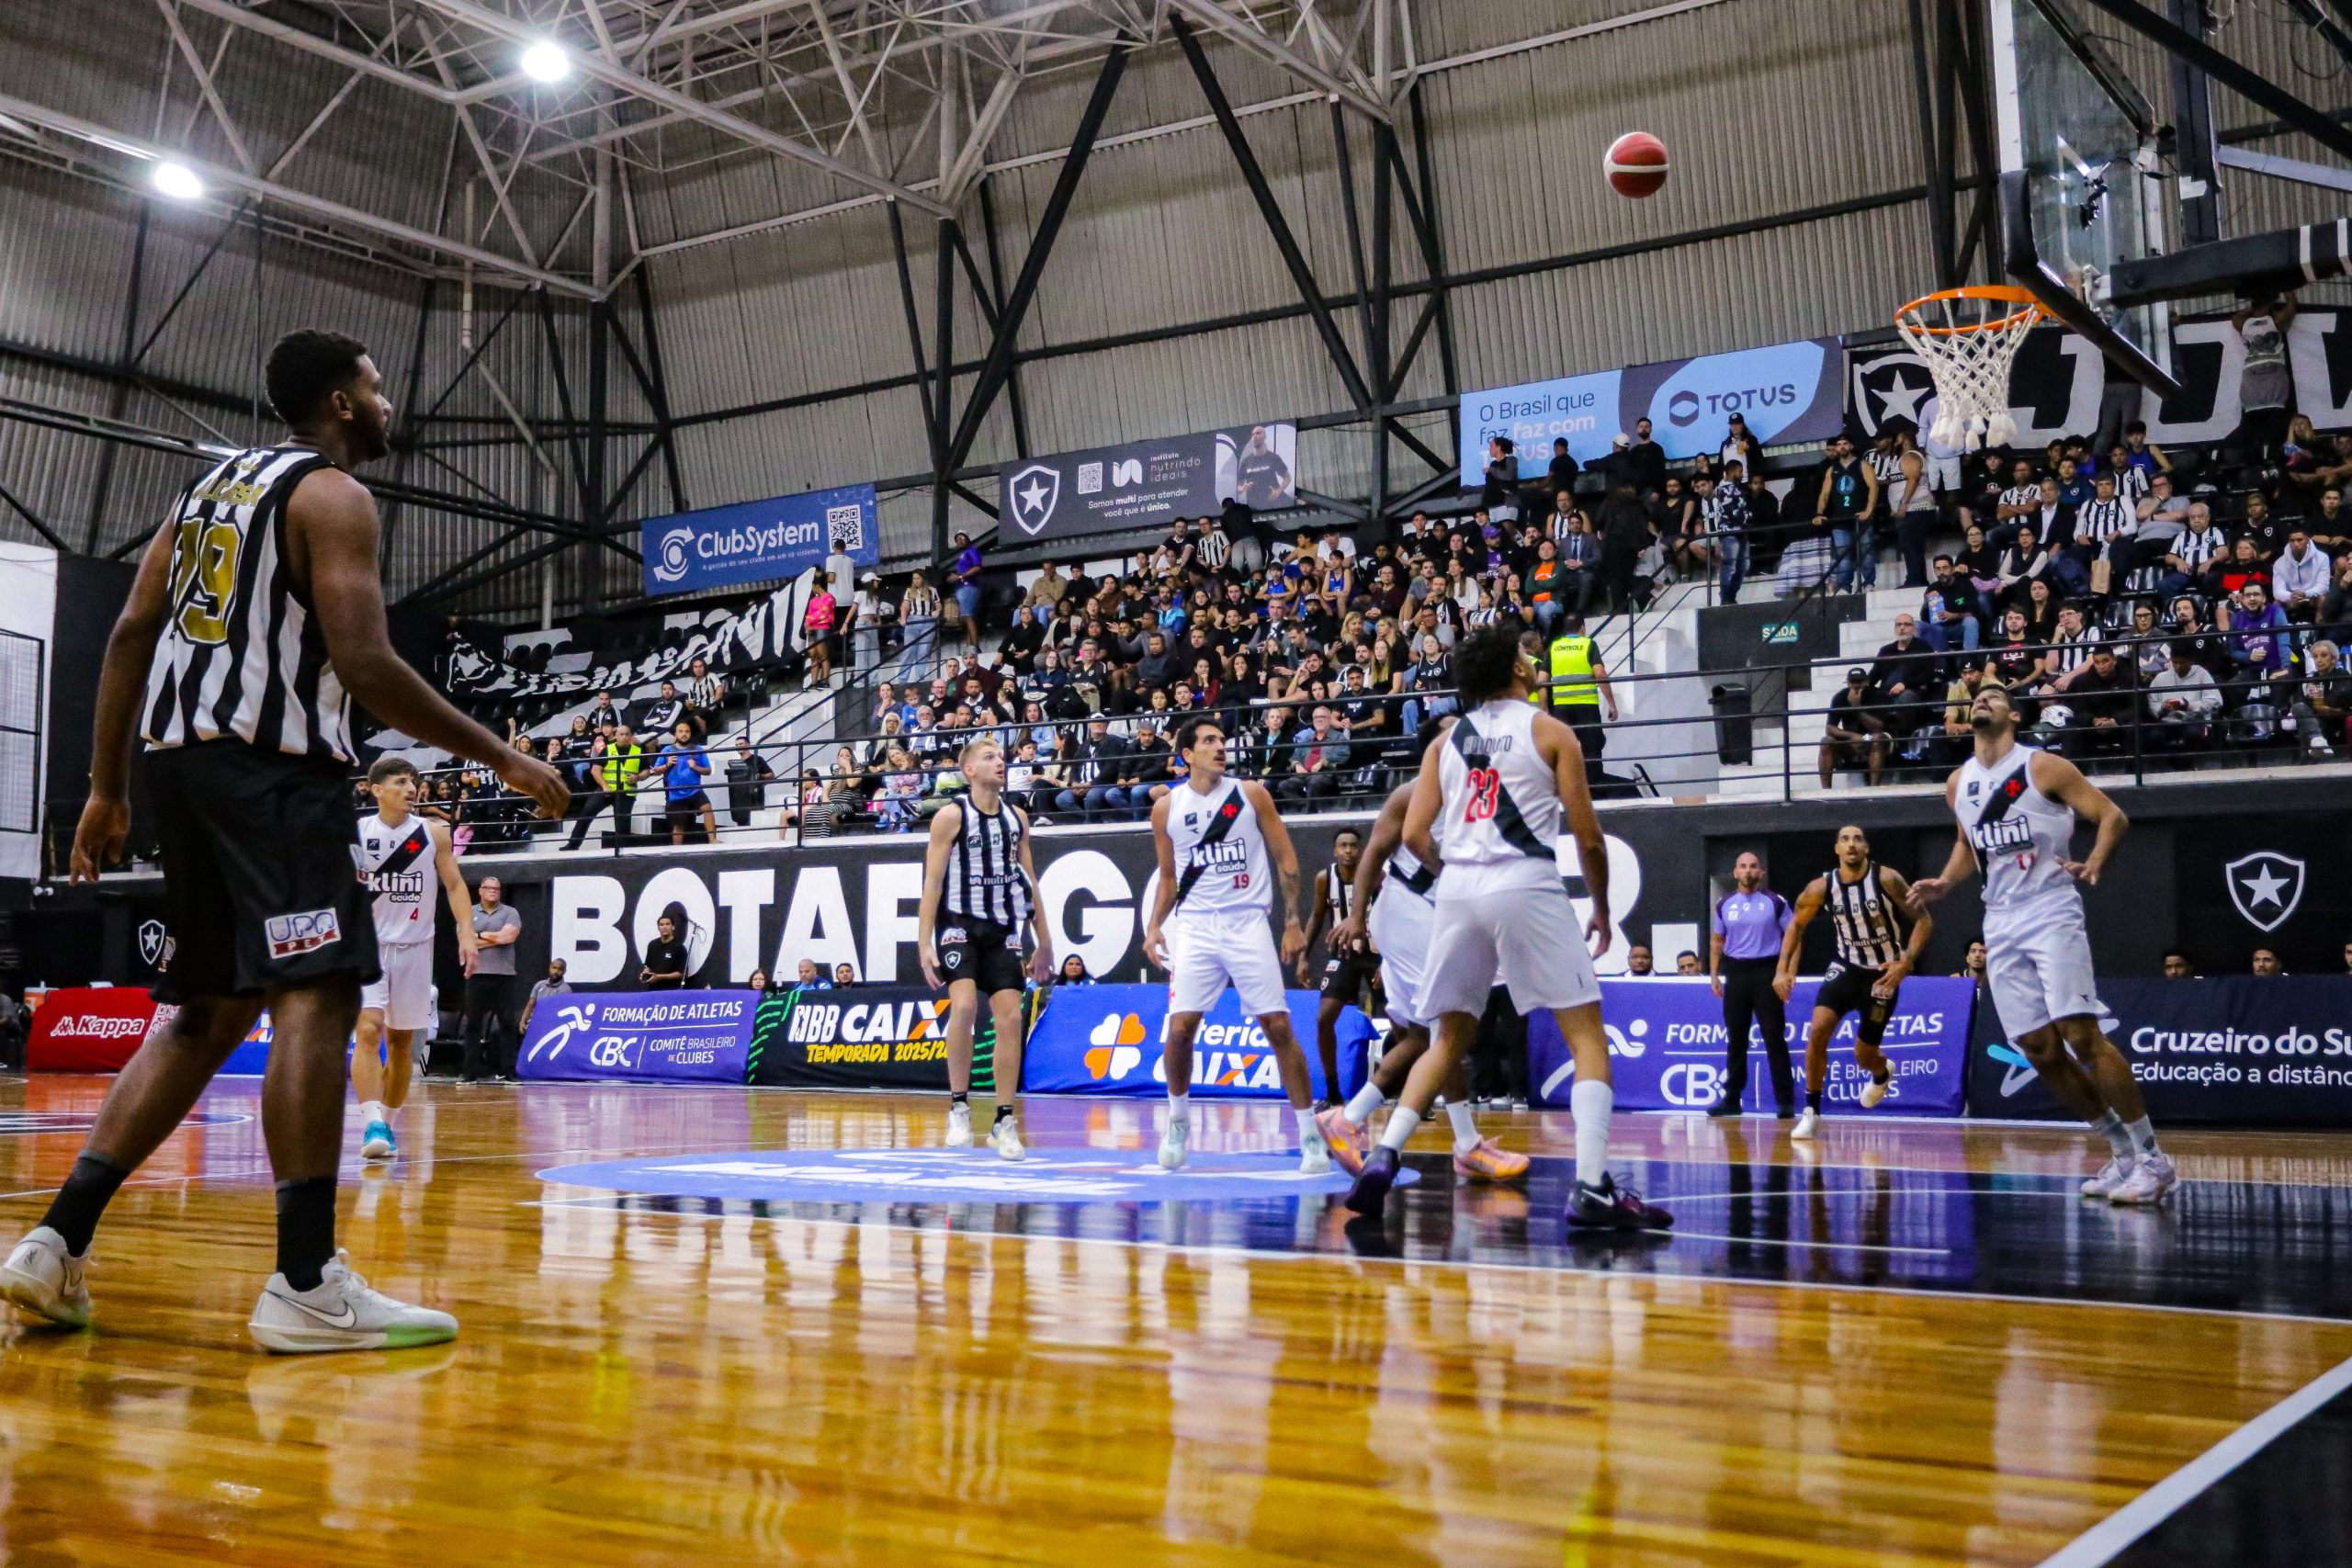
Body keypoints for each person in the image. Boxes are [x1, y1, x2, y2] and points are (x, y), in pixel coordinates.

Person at [1, 327, 566, 1353]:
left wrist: (106, 788)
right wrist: (504, 758)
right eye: (376, 386)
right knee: (319, 991)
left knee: (206, 1014)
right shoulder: (332, 496)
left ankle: (55, 1241)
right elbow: (366, 663)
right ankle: (305, 1278)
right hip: (275, 771)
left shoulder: (204, 493)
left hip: (179, 767)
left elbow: (129, 633)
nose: (387, 404)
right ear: (341, 403)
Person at [1343, 626, 1669, 1230]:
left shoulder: (1446, 742)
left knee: (1447, 1039)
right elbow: (1589, 838)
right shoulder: (1550, 731)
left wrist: (1458, 872)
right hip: (1526, 881)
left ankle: (1384, 1152)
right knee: (1586, 1036)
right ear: (1519, 670)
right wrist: (1600, 907)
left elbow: (1414, 835)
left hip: (1458, 891)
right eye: (1526, 656)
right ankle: (1592, 1186)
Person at [1908, 683, 2177, 1202]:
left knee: (2081, 1035)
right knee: (2038, 1048)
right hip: (1999, 917)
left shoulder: (2043, 767)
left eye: (1994, 697)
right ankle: (2121, 1152)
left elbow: (2113, 817)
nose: (1982, 700)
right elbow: (1967, 844)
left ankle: (2153, 1158)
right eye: (1978, 696)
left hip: (2050, 908)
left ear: (2014, 715)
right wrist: (1946, 881)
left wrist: (2095, 861)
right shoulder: (1958, 782)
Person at [1314, 772, 1528, 1184]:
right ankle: (1461, 1144)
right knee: (1446, 1031)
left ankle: (1352, 1118)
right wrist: (1356, 917)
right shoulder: (1415, 793)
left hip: (1419, 916)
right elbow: (1374, 854)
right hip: (1410, 913)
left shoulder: (1488, 794)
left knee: (1418, 1039)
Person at [1142, 716, 1327, 1174]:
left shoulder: (1250, 794)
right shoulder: (1166, 808)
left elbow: (1286, 858)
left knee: (1278, 1026)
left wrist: (1292, 922)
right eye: (1209, 741)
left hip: (1247, 921)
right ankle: (1178, 1121)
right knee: (1180, 1028)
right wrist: (1154, 926)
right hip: (1196, 926)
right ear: (1187, 755)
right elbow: (1170, 878)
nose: (1220, 746)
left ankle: (1309, 1134)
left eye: (1222, 739)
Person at [918, 739, 1056, 1161]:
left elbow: (1029, 881)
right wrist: (923, 942)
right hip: (958, 923)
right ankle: (959, 1107)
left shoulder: (1017, 818)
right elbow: (933, 882)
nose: (1000, 761)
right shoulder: (951, 816)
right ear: (969, 771)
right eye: (989, 757)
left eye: (1001, 756)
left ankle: (1004, 1119)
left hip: (1002, 927)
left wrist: (1044, 940)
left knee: (1011, 1018)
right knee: (963, 1008)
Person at [352, 756, 476, 1162]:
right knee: (369, 1029)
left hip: (416, 946)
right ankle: (371, 1121)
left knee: (401, 1042)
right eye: (402, 782)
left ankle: (387, 1125)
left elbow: (455, 885)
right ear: (377, 790)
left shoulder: (433, 833)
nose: (411, 789)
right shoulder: (356, 833)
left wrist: (466, 932)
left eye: (413, 782)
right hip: (369, 946)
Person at [1775, 827, 1931, 1139]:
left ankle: (1882, 1072)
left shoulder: (1887, 879)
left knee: (1864, 1055)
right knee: (1818, 1031)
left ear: (1866, 848)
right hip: (1846, 967)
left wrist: (1906, 961)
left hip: (1883, 973)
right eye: (1845, 840)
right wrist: (1782, 970)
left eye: (1857, 839)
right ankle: (1811, 1112)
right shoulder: (1821, 887)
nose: (1851, 844)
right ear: (1836, 849)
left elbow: (1924, 920)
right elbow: (1795, 926)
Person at [1707, 852, 1794, 1120]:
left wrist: (1786, 972)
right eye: (1743, 866)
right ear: (1735, 872)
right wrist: (1714, 975)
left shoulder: (1775, 902)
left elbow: (1794, 936)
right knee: (1736, 1039)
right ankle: (1732, 1099)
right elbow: (1717, 941)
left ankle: (1785, 1101)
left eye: (1753, 866)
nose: (1748, 871)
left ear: (1761, 872)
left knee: (1774, 1037)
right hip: (1736, 973)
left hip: (1766, 972)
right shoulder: (1724, 903)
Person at [1296, 828, 1377, 1107]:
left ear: (1360, 850)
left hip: (1377, 955)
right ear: (1335, 850)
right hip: (1343, 955)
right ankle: (1332, 1092)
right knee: (1324, 1018)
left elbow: (1392, 916)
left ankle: (1414, 1096)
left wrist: (1390, 960)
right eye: (1343, 846)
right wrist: (1303, 957)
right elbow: (1317, 917)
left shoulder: (1376, 876)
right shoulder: (1325, 878)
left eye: (1353, 846)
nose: (1348, 851)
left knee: (1402, 1024)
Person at [458, 877, 522, 1081]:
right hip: (477, 975)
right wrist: (494, 938)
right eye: (489, 888)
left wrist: (478, 936)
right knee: (473, 1024)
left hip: (505, 976)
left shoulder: (510, 912)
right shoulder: (468, 912)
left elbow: (508, 938)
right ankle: (470, 1073)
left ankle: (509, 1072)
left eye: (497, 888)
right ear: (480, 890)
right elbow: (464, 941)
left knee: (507, 1024)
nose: (493, 891)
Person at [1541, 616, 1617, 785]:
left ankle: (1565, 789)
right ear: (1582, 628)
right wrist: (1612, 704)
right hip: (1586, 705)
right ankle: (1594, 790)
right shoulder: (1588, 644)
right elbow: (1600, 674)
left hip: (1561, 708)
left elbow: (1541, 680)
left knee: (1563, 751)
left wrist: (1544, 709)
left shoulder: (1554, 647)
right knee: (1592, 750)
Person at [567, 722, 642, 850]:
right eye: (621, 734)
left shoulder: (638, 751)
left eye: (627, 734)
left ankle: (622, 850)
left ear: (631, 736)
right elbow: (595, 770)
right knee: (587, 811)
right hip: (606, 788)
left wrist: (638, 777)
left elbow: (646, 770)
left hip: (626, 791)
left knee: (622, 823)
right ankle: (573, 844)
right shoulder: (608, 749)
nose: (624, 737)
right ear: (616, 735)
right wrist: (604, 786)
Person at [652, 720, 716, 845]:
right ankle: (677, 850)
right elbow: (656, 770)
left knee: (707, 808)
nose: (684, 734)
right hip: (676, 793)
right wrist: (667, 764)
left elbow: (708, 771)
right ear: (676, 734)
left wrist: (695, 767)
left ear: (690, 734)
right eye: (681, 731)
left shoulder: (698, 749)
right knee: (678, 824)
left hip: (695, 790)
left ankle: (712, 840)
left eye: (687, 731)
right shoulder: (667, 750)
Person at [639, 911, 690, 990]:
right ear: (658, 928)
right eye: (661, 925)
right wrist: (645, 974)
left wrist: (660, 977)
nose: (664, 927)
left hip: (670, 990)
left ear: (673, 927)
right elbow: (648, 966)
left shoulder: (679, 948)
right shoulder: (652, 945)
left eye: (667, 924)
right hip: (652, 989)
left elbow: (682, 973)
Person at [518, 959, 571, 1034]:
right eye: (554, 968)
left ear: (564, 971)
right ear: (550, 967)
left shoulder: (566, 989)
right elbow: (530, 1005)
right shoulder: (540, 984)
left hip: (551, 1027)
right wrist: (522, 1022)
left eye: (560, 969)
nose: (556, 971)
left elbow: (559, 1013)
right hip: (533, 1023)